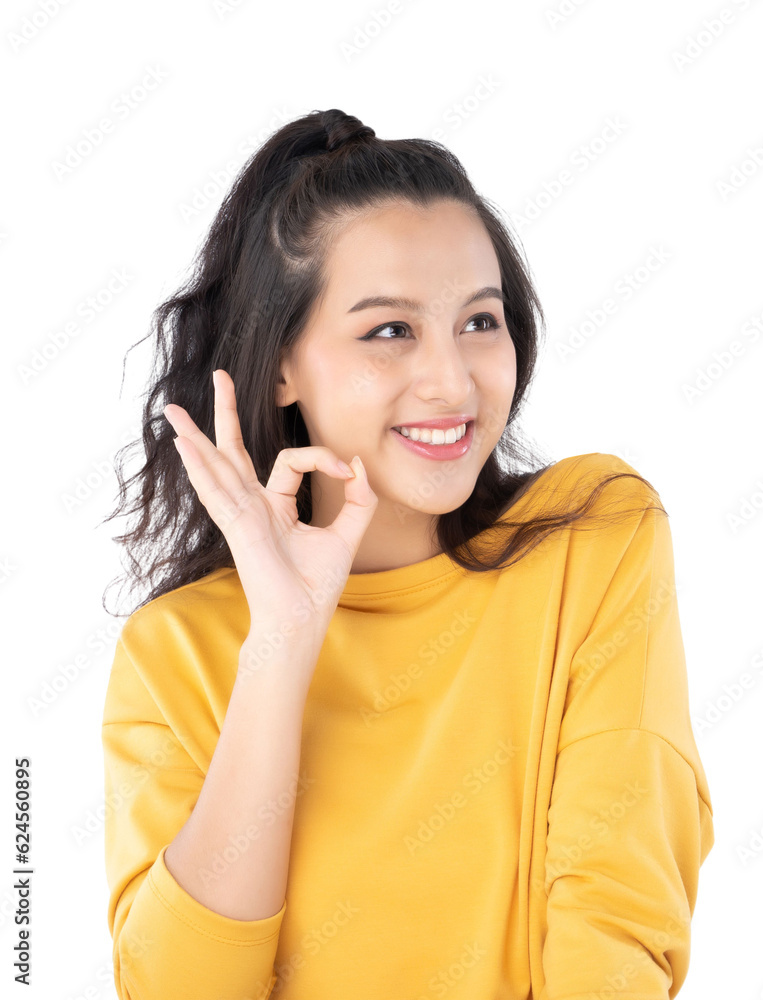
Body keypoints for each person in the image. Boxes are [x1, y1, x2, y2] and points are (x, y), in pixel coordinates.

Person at [100, 108, 714, 1000]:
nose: (453, 382)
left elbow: (615, 922)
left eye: (478, 320)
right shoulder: (175, 651)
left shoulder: (595, 540)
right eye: (389, 330)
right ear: (281, 365)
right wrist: (281, 640)